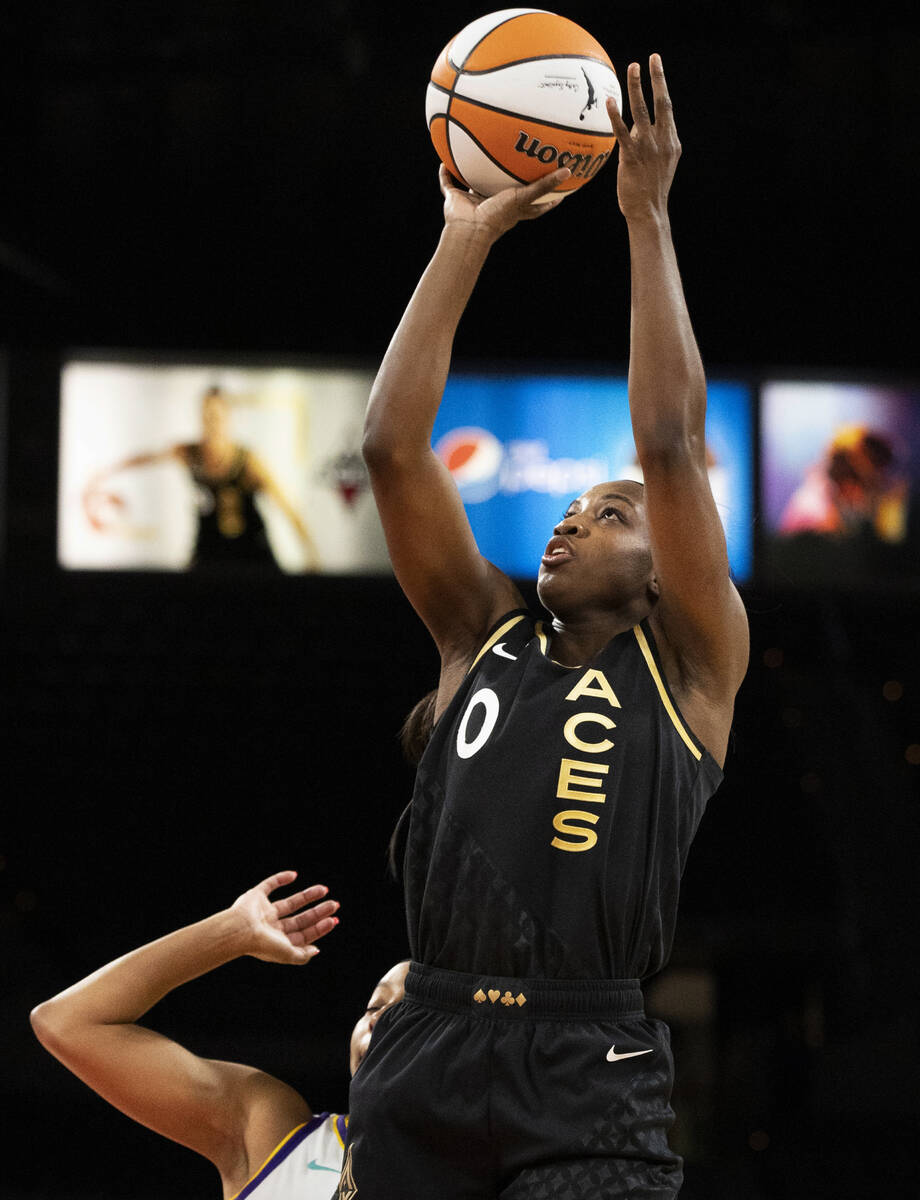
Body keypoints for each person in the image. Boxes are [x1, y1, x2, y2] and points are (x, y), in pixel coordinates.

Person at [345, 56, 749, 1198]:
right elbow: (390, 448)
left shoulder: (692, 667)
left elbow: (668, 443)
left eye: (606, 516)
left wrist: (645, 215)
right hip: (428, 1031)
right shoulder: (481, 630)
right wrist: (463, 234)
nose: (570, 525)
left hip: (586, 1056)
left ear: (663, 568)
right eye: (566, 512)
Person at [30, 871, 409, 1199]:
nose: (378, 1020)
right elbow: (68, 1023)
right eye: (374, 1008)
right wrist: (235, 932)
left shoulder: (465, 1165)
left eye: (407, 1012)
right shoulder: (271, 1132)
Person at [83, 385, 320, 570]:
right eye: (206, 415)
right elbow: (149, 457)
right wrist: (109, 471)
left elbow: (287, 507)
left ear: (228, 417)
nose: (211, 422)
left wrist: (311, 554)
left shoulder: (247, 461)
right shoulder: (190, 453)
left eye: (216, 415)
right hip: (209, 549)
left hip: (250, 553)